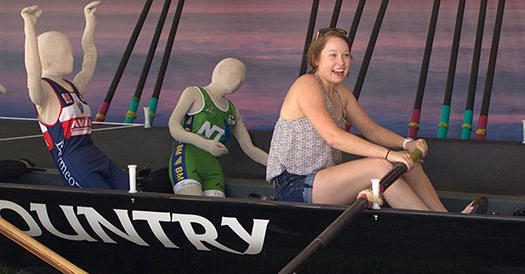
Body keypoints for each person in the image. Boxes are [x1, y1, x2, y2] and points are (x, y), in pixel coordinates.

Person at [266, 28, 486, 214]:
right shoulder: (307, 84)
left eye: (346, 55)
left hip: (321, 180)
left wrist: (405, 144)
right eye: (332, 55)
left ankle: (446, 216)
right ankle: (433, 226)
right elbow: (333, 137)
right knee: (379, 166)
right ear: (316, 59)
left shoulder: (340, 92)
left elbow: (370, 129)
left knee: (407, 162)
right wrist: (388, 154)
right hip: (294, 185)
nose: (341, 62)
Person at [21, 2, 128, 190]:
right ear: (45, 57)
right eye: (65, 53)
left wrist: (90, 23)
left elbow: (88, 60)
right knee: (109, 204)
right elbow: (32, 70)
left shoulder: (73, 86)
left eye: (71, 53)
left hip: (94, 153)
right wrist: (29, 26)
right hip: (75, 162)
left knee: (133, 193)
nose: (71, 58)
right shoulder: (44, 92)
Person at [168, 58, 268, 196]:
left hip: (213, 168)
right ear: (218, 71)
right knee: (192, 209)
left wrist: (277, 166)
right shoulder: (194, 93)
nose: (238, 81)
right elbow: (173, 126)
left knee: (215, 214)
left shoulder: (233, 111)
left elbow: (249, 147)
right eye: (233, 73)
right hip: (187, 160)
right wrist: (205, 144)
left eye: (242, 79)